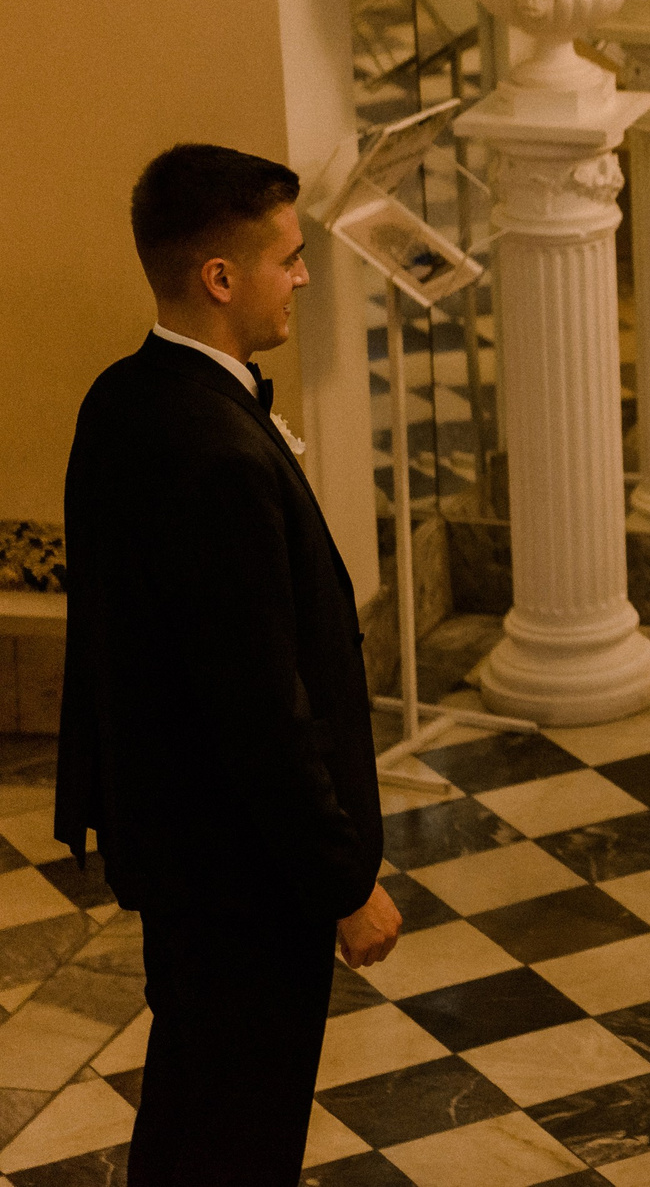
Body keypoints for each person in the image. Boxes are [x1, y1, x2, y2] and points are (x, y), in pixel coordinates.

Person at [55, 145, 402, 1187]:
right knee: (235, 1120)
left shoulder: (125, 395)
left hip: (182, 839)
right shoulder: (212, 451)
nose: (301, 275)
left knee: (202, 1092)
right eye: (289, 257)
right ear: (219, 276)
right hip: (243, 865)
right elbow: (259, 704)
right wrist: (345, 881)